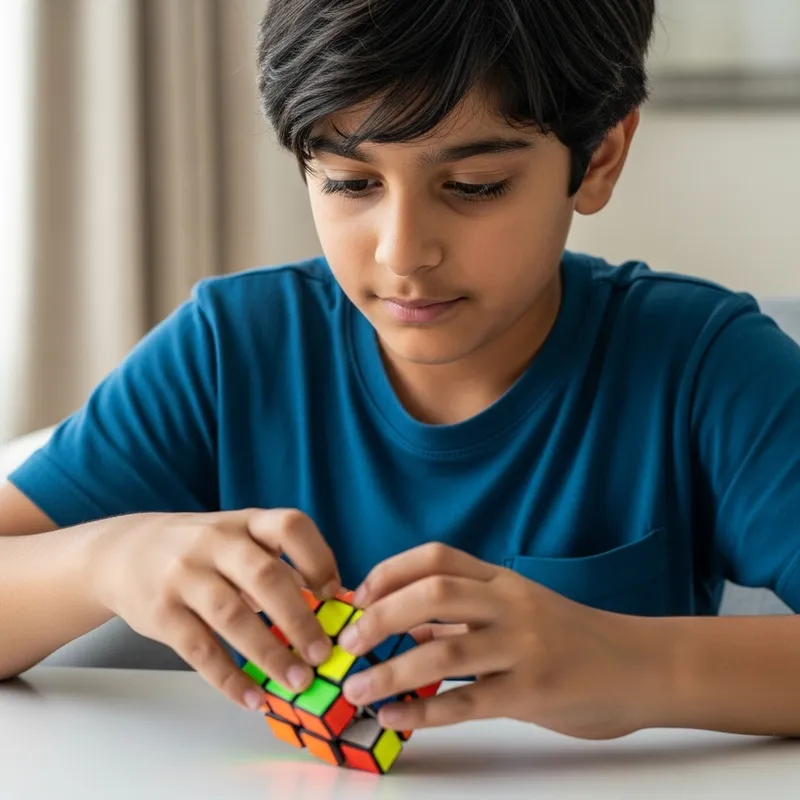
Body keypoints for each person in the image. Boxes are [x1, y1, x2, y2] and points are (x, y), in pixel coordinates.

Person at [2, 0, 799, 742]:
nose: (401, 252)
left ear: (598, 159)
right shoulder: (232, 352)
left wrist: (633, 662)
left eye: (474, 187)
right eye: (349, 182)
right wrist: (103, 560)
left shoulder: (705, 365)